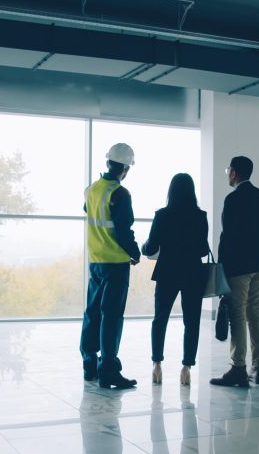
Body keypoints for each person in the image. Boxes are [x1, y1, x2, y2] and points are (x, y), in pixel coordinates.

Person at [80, 143, 141, 389]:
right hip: (115, 263)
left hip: (95, 262)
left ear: (108, 163)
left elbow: (88, 211)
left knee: (92, 313)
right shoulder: (120, 193)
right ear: (125, 168)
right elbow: (124, 231)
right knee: (112, 317)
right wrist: (135, 253)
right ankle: (109, 371)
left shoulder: (92, 190)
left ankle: (89, 366)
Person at [210, 156, 259, 388]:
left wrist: (222, 268)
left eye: (228, 170)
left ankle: (238, 368)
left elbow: (228, 238)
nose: (227, 174)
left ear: (234, 173)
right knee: (254, 313)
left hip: (240, 267)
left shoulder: (233, 198)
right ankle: (257, 367)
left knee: (237, 314)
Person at [142, 173, 209, 386]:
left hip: (168, 271)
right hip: (192, 273)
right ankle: (186, 367)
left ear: (171, 191)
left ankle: (157, 365)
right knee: (192, 322)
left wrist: (145, 246)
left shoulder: (162, 215)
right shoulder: (200, 216)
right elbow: (202, 250)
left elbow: (151, 247)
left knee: (160, 318)